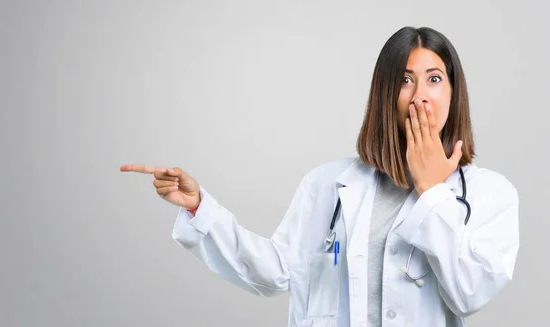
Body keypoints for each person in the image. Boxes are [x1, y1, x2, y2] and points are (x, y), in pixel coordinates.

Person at [120, 26, 519, 327]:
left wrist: (432, 190)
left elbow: (470, 293)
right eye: (404, 79)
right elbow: (275, 271)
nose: (419, 95)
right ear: (385, 92)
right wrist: (199, 208)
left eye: (434, 78)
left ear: (453, 92)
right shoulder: (327, 183)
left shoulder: (489, 194)